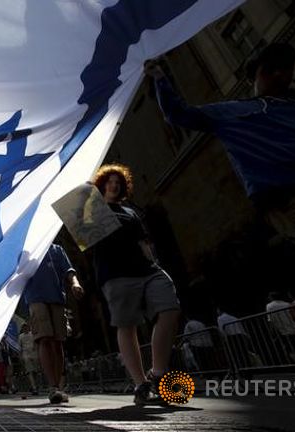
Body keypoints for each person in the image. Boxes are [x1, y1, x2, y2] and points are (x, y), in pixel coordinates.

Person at [146, 43, 295, 286]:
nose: (277, 74)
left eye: (283, 68)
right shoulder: (233, 112)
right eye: (268, 69)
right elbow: (179, 113)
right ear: (256, 76)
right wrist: (158, 75)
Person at [88, 164, 181, 405]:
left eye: (118, 181)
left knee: (170, 308)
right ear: (101, 184)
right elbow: (86, 236)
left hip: (146, 269)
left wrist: (154, 263)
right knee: (126, 325)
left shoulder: (130, 211)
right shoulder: (93, 209)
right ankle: (141, 383)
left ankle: (158, 372)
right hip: (116, 274)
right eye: (109, 180)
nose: (114, 184)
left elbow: (143, 241)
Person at [23, 243, 84, 404]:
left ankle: (59, 387)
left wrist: (75, 283)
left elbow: (68, 269)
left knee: (58, 342)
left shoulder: (57, 249)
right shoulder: (26, 248)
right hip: (35, 298)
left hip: (57, 298)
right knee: (44, 339)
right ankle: (52, 387)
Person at [18, 322, 39, 395]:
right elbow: (20, 347)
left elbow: (36, 343)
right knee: (29, 371)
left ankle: (34, 384)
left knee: (35, 371)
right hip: (26, 354)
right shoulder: (20, 336)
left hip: (34, 353)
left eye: (26, 327)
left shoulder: (32, 334)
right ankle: (34, 387)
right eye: (24, 327)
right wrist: (20, 356)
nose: (25, 328)